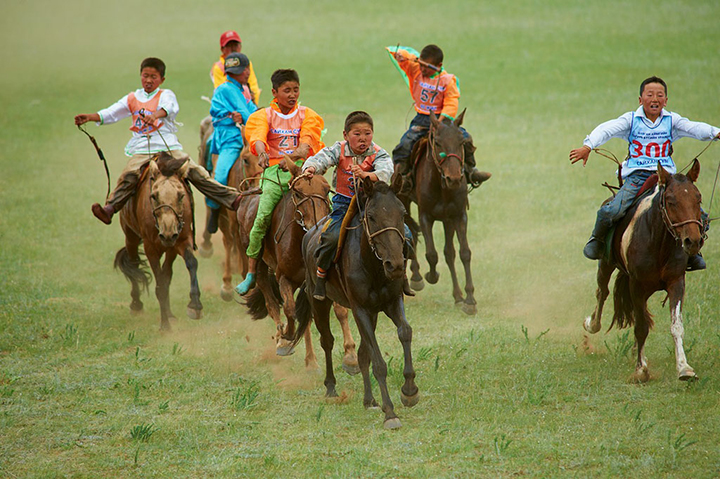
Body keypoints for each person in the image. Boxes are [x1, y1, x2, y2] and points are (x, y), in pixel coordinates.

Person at [570, 76, 720, 270]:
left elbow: (693, 127)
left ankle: (692, 252)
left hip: (667, 180)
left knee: (700, 217)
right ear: (640, 100)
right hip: (637, 177)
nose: (654, 99)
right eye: (649, 95)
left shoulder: (671, 120)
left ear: (666, 100)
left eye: (660, 95)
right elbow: (607, 129)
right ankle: (597, 241)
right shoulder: (631, 120)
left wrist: (715, 132)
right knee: (612, 210)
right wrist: (588, 146)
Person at [74, 57, 243, 225]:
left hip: (167, 147)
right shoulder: (132, 98)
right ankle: (110, 209)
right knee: (128, 175)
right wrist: (89, 117)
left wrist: (154, 115)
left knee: (196, 172)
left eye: (153, 77)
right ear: (140, 76)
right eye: (145, 76)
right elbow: (111, 113)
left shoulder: (166, 94)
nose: (148, 80)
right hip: (142, 149)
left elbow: (169, 107)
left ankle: (232, 199)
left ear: (161, 79)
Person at [302, 111, 415, 300]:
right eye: (357, 134)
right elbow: (321, 159)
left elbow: (385, 173)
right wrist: (311, 168)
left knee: (406, 235)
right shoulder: (339, 149)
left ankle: (401, 274)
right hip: (344, 203)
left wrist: (364, 175)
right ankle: (320, 278)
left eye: (367, 133)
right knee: (330, 237)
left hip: (373, 203)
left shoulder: (379, 153)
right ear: (346, 135)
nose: (363, 139)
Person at [234, 69, 324, 295]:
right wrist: (263, 154)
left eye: (295, 89)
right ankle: (252, 272)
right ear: (275, 92)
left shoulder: (306, 115)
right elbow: (258, 137)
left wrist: (292, 158)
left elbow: (305, 145)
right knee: (262, 215)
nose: (292, 94)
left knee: (324, 207)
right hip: (274, 173)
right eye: (287, 90)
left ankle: (329, 265)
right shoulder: (263, 115)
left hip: (302, 172)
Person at [386, 44, 490, 192]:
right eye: (420, 65)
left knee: (465, 139)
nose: (422, 69)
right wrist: (401, 57)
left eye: (426, 67)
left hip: (443, 122)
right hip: (422, 120)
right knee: (405, 144)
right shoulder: (416, 71)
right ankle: (403, 177)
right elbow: (407, 60)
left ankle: (471, 170)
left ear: (438, 65)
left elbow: (451, 101)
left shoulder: (448, 81)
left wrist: (441, 122)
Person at [206, 52, 258, 233]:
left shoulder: (242, 91)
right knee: (219, 177)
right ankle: (213, 209)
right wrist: (233, 116)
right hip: (230, 139)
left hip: (242, 134)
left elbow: (253, 111)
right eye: (240, 71)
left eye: (244, 70)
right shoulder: (226, 89)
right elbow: (248, 115)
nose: (244, 74)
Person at [210, 30, 261, 105]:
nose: (233, 48)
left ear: (240, 46)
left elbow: (253, 86)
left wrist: (253, 105)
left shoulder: (246, 62)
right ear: (222, 49)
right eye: (229, 46)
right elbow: (222, 92)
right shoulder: (218, 67)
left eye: (235, 45)